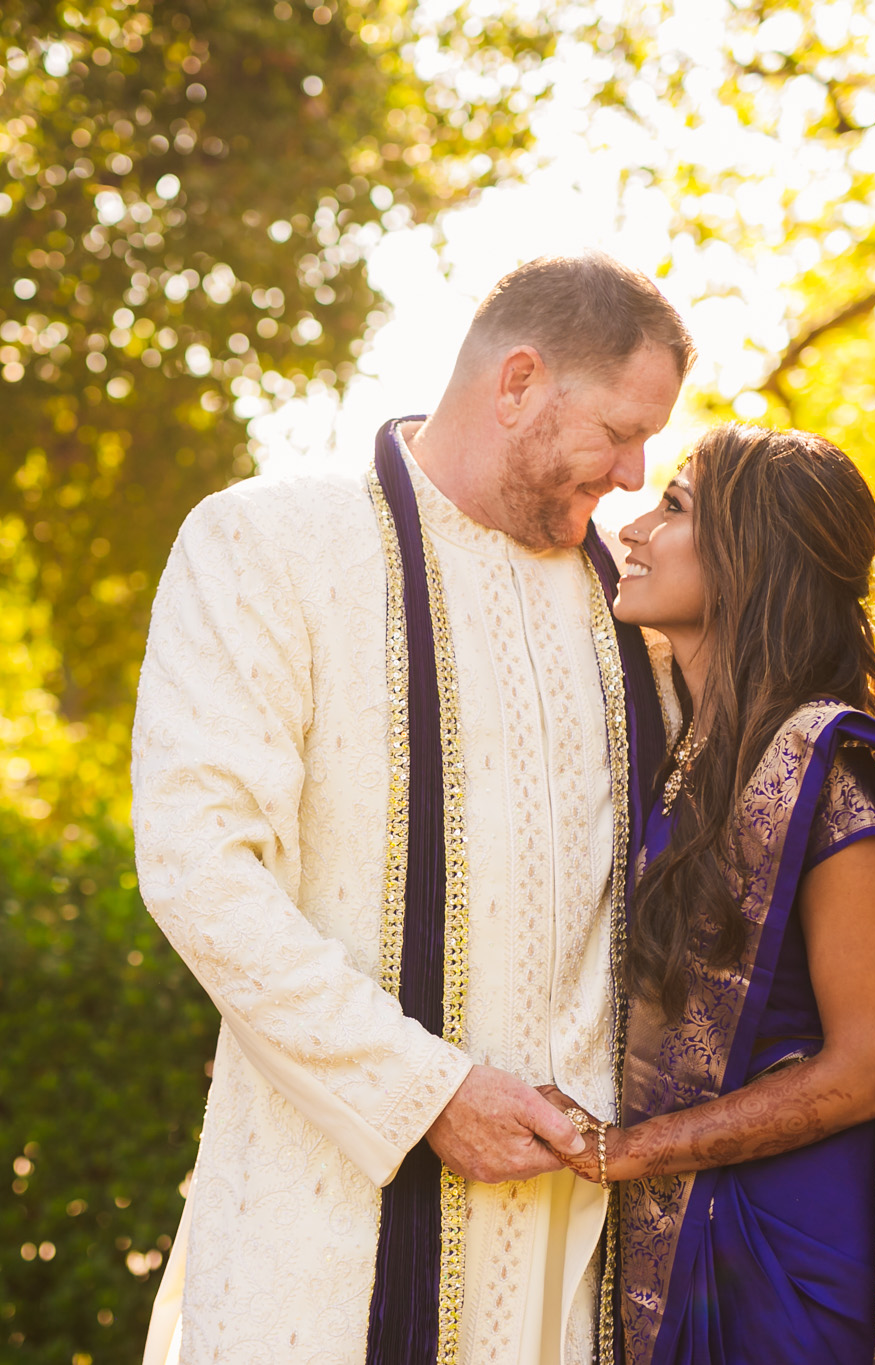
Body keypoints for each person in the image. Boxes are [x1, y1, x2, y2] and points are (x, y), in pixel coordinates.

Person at [129, 253, 692, 1364]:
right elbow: (200, 870)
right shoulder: (266, 546)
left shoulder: (640, 616)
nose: (635, 477)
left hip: (579, 1270)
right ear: (518, 381)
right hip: (322, 1243)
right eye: (619, 432)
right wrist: (425, 1092)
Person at [539, 424, 875, 1364]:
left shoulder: (829, 769)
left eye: (677, 506)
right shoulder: (689, 757)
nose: (636, 525)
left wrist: (625, 1153)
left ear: (751, 559)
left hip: (790, 1267)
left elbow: (874, 1065)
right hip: (693, 1232)